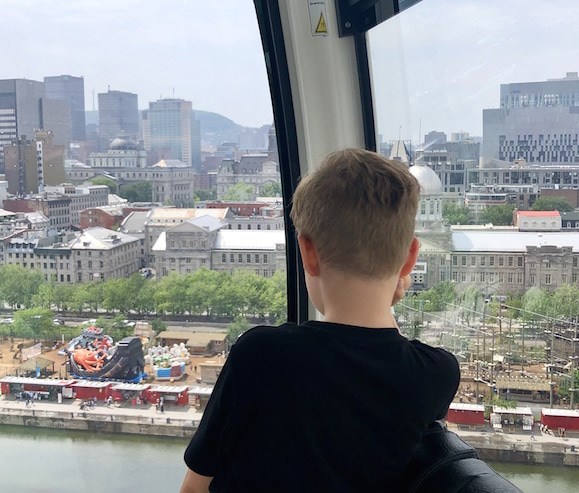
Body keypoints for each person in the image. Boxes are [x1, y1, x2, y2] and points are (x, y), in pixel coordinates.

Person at [179, 149, 460, 492]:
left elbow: (195, 486)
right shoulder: (436, 373)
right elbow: (388, 358)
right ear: (410, 259)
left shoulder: (261, 353)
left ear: (308, 254)